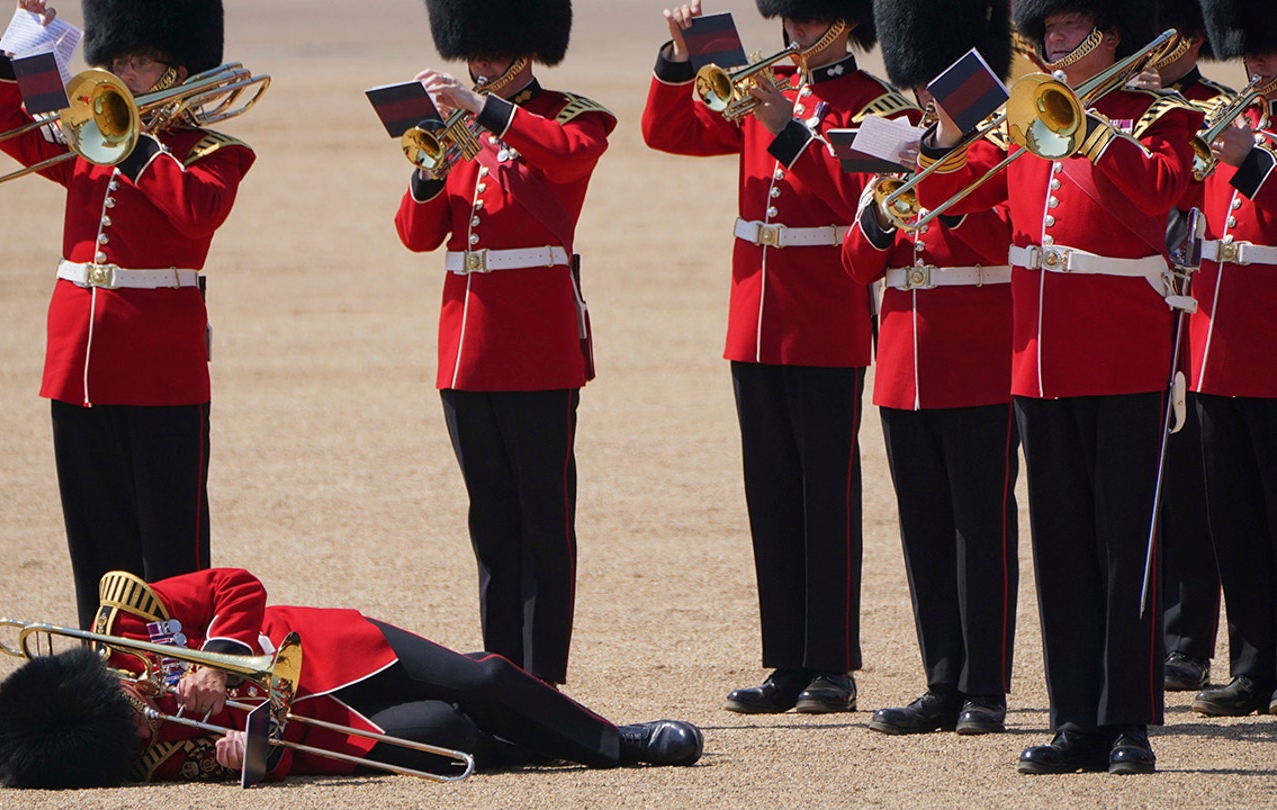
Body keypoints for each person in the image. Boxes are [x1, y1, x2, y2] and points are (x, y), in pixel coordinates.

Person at [916, 0, 1203, 774]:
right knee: (1063, 547)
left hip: (1123, 355)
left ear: (1109, 35)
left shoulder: (1155, 116)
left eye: (1070, 30)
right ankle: (1075, 717)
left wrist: (1094, 133)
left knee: (1123, 548)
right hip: (1040, 362)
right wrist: (945, 137)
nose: (1053, 44)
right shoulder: (1024, 117)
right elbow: (965, 190)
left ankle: (1130, 722)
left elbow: (1160, 196)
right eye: (1047, 32)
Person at [642, 0, 919, 715]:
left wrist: (787, 133)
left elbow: (864, 198)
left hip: (823, 312)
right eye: (788, 18)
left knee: (825, 492)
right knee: (770, 491)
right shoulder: (768, 86)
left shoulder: (876, 104)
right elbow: (668, 131)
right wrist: (679, 60)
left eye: (805, 18)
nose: (792, 31)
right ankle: (787, 660)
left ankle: (833, 663)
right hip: (754, 313)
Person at [0, 0, 256, 629]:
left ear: (177, 70)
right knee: (94, 542)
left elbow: (198, 212)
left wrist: (132, 149)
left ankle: (177, 690)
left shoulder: (212, 150)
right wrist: (23, 37)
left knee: (171, 549)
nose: (125, 72)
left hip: (159, 368)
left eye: (141, 61)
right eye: (119, 59)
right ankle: (108, 682)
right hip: (80, 362)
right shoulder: (85, 138)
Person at [0, 568, 703, 787]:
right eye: (126, 735)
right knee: (449, 731)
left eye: (126, 711)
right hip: (322, 727)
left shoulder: (124, 621)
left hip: (329, 646)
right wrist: (252, 758)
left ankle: (618, 742)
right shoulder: (143, 756)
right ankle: (538, 747)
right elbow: (270, 762)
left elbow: (234, 585)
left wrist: (225, 666)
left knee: (480, 680)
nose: (143, 724)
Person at [392, 0, 616, 686]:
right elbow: (416, 234)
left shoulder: (571, 115)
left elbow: (566, 157)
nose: (481, 65)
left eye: (492, 54)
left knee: (542, 517)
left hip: (537, 345)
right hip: (468, 345)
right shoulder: (458, 125)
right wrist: (428, 168)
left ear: (526, 51)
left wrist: (483, 109)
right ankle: (500, 673)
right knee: (491, 520)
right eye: (474, 54)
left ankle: (542, 678)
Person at [847, 0, 1019, 737]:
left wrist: (943, 155)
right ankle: (941, 681)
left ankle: (987, 687)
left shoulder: (1001, 145)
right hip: (903, 362)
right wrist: (878, 220)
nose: (924, 93)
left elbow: (998, 241)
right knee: (924, 529)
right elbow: (856, 261)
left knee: (981, 529)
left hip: (976, 357)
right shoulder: (890, 136)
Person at [1128, 0, 1231, 695]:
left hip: (1186, 300)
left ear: (1189, 39)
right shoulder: (1122, 105)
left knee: (1190, 473)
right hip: (1122, 301)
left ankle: (1186, 638)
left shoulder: (1212, 107)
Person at [1186, 0, 1277, 719]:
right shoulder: (1229, 117)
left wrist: (1253, 167)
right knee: (1237, 519)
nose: (1261, 66)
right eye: (1253, 54)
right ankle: (1254, 667)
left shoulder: (1249, 139)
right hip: (1218, 350)